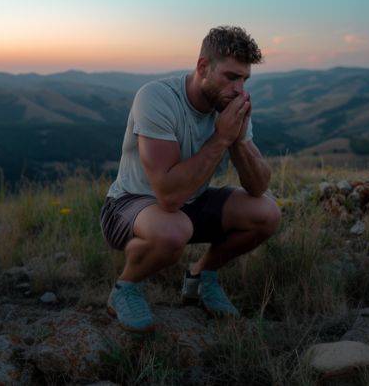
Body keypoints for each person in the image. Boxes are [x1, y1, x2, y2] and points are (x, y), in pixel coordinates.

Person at [99, 25, 281, 332]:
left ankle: (200, 278)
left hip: (191, 202)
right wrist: (221, 139)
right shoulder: (157, 98)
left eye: (245, 79)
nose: (240, 89)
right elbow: (168, 196)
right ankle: (125, 289)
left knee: (266, 213)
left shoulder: (227, 106)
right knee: (173, 230)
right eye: (231, 76)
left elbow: (258, 186)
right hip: (131, 204)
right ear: (202, 67)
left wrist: (237, 140)